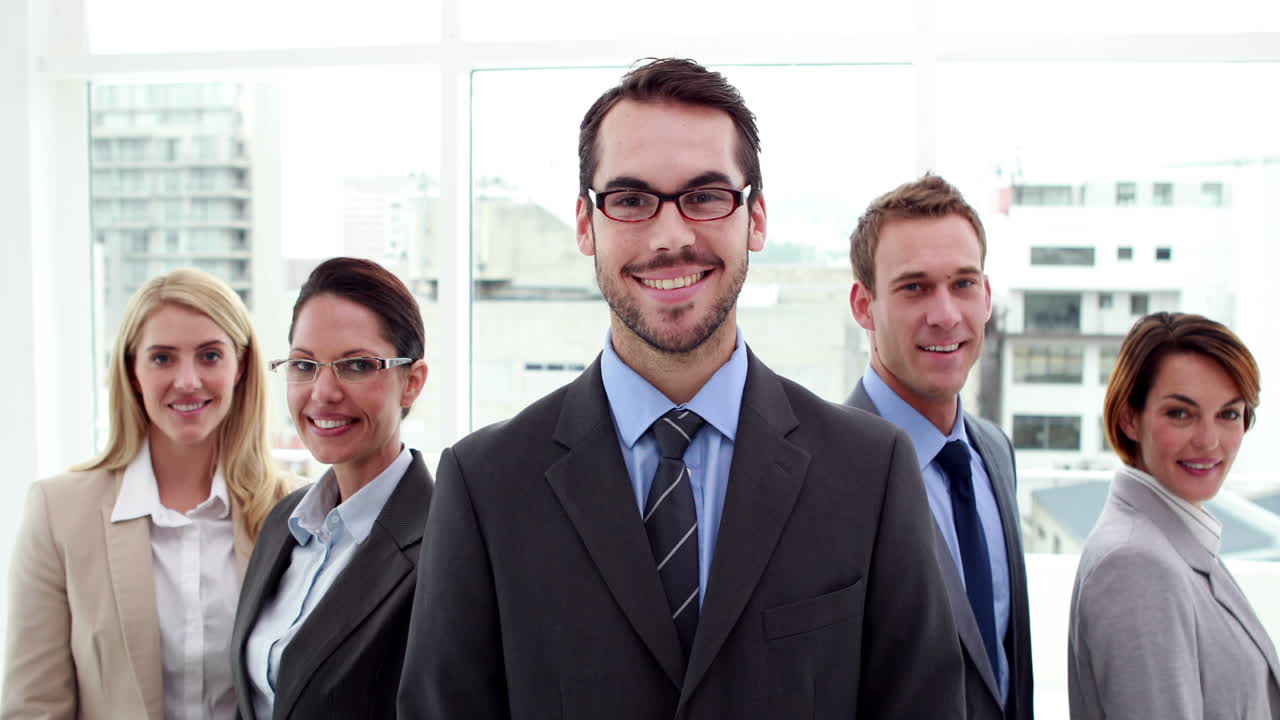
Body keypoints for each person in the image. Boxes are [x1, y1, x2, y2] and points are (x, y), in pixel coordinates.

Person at [398, 58, 963, 719]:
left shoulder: (871, 470)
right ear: (586, 224)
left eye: (705, 196)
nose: (671, 236)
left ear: (755, 219)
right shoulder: (485, 484)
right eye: (632, 200)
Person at [2, 268, 290, 720]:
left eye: (211, 355)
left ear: (240, 368)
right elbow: (33, 706)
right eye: (162, 358)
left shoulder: (293, 513)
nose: (188, 380)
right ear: (133, 372)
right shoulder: (59, 513)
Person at [845, 174, 1034, 719]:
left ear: (988, 296)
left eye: (963, 284)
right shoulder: (822, 473)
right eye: (915, 287)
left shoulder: (995, 453)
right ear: (864, 306)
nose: (946, 314)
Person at [229, 257, 431, 720]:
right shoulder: (286, 520)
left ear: (412, 382)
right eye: (304, 365)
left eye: (357, 365)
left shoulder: (446, 540)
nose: (323, 392)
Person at [1068, 312, 1279, 720]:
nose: (1209, 440)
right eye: (1180, 414)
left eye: (1229, 414)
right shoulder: (1136, 565)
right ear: (1131, 417)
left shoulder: (1174, 541)